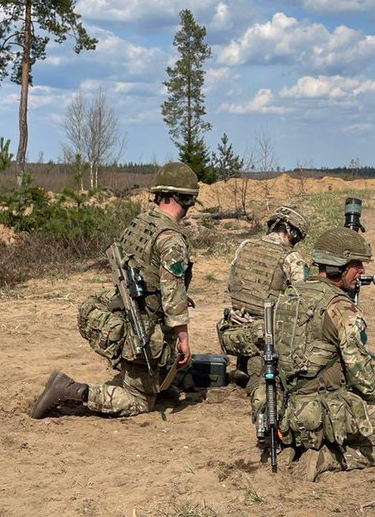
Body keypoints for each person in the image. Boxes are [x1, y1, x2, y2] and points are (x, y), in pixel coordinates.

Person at [31, 161, 199, 420]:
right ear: (184, 198)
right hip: (139, 326)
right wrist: (183, 337)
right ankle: (71, 390)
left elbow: (145, 272)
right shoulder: (171, 239)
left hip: (120, 311)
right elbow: (172, 290)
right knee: (139, 402)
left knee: (158, 375)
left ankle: (145, 377)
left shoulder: (142, 222)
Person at [257, 226, 375, 480]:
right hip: (319, 414)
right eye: (356, 264)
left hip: (280, 411)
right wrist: (370, 399)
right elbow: (361, 376)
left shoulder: (289, 296)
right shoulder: (340, 308)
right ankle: (328, 458)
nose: (362, 271)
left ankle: (294, 446)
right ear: (339, 266)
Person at [217, 204, 309, 391]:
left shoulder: (245, 246)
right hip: (264, 335)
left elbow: (231, 285)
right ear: (292, 232)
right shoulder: (292, 258)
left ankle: (244, 366)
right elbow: (302, 299)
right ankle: (257, 378)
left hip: (232, 328)